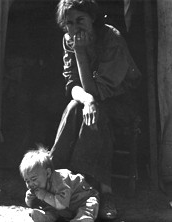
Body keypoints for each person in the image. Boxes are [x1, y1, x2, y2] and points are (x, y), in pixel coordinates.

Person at [50, 0, 141, 220]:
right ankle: (53, 178)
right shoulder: (69, 40)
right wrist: (87, 99)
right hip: (92, 101)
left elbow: (98, 91)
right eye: (69, 23)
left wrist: (80, 53)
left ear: (93, 19)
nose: (75, 28)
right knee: (75, 106)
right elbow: (72, 85)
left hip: (121, 102)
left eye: (80, 20)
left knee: (93, 112)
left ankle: (100, 191)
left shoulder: (111, 39)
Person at [19, 146, 99, 222]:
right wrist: (29, 199)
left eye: (33, 179)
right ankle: (45, 218)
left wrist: (44, 195)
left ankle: (81, 219)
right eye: (27, 181)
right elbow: (32, 204)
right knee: (50, 208)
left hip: (82, 199)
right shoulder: (41, 185)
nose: (30, 184)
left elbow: (62, 204)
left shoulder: (60, 180)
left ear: (48, 173)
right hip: (63, 208)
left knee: (87, 208)